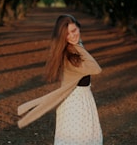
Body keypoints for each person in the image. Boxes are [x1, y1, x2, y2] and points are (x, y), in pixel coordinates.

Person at [17, 14, 103, 144]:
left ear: (79, 28)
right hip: (75, 104)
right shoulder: (70, 56)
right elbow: (96, 69)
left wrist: (79, 44)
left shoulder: (73, 49)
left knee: (87, 139)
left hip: (83, 99)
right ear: (63, 37)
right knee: (78, 140)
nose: (72, 36)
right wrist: (79, 46)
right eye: (67, 34)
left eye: (74, 31)